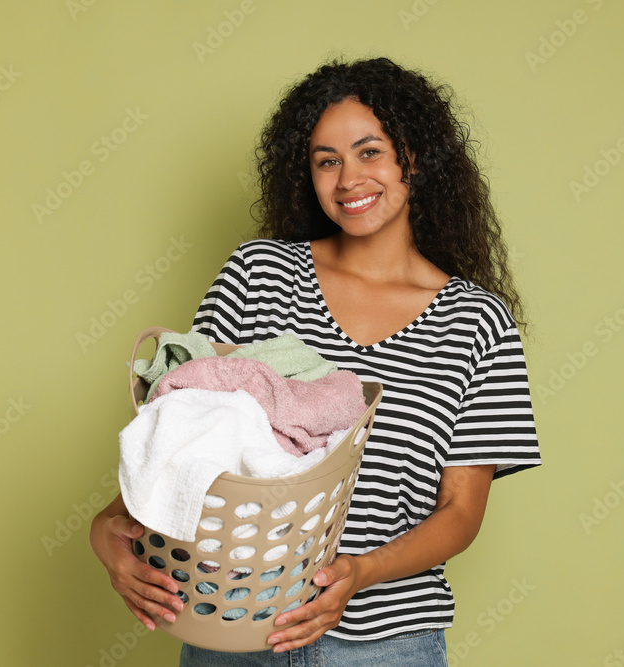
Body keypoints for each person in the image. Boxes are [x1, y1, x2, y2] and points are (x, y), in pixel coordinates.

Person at [90, 56, 541, 666]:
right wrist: (108, 531)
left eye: (369, 152)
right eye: (327, 160)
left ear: (415, 158)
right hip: (233, 631)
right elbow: (183, 431)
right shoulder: (258, 276)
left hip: (386, 646)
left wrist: (357, 572)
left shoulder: (475, 321)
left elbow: (460, 512)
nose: (348, 178)